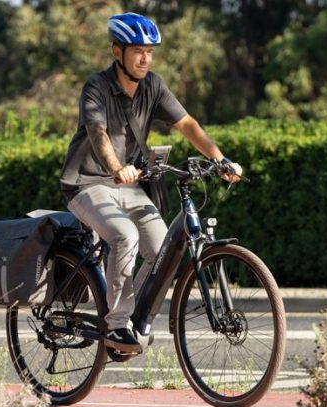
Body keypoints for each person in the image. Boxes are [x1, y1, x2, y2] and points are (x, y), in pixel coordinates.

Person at [59, 13, 243, 353]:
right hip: (86, 183)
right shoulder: (96, 87)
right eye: (137, 51)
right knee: (123, 234)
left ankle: (133, 319)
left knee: (162, 253)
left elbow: (187, 123)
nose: (145, 58)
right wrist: (117, 167)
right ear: (117, 52)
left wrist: (219, 159)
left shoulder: (153, 86)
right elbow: (97, 134)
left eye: (150, 51)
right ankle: (116, 324)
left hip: (127, 187)